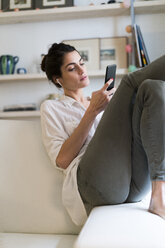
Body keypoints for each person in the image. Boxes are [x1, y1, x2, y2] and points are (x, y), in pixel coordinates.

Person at [40, 42, 165, 226]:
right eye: (72, 68)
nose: (82, 70)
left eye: (82, 63)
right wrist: (92, 111)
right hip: (94, 184)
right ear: (58, 79)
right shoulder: (51, 107)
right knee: (130, 83)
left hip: (132, 184)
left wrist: (113, 109)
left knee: (152, 88)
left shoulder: (101, 100)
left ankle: (158, 193)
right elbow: (62, 160)